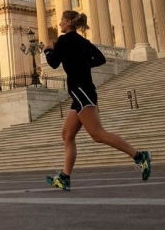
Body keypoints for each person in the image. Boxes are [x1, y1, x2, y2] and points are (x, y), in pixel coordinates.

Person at [42, 10, 151, 191]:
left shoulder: (62, 41)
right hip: (83, 91)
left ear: (69, 22)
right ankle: (65, 177)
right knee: (67, 135)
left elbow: (53, 63)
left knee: (97, 134)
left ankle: (140, 156)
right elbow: (100, 59)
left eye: (61, 21)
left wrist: (47, 50)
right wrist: (83, 64)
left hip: (80, 90)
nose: (59, 23)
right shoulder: (83, 42)